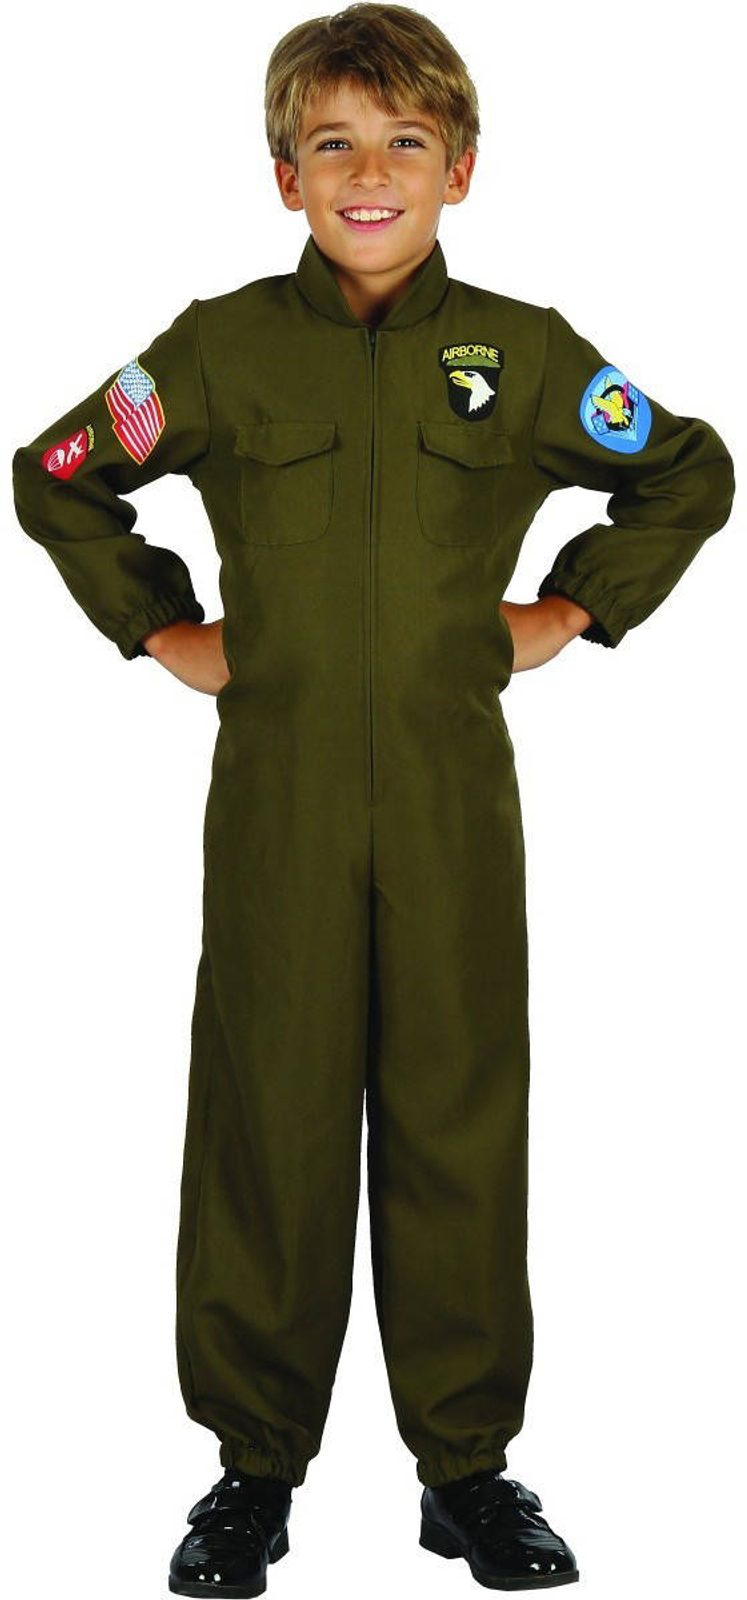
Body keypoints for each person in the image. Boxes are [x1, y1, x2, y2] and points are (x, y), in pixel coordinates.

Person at [11, 4, 735, 1595]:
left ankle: (466, 1469)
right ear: (285, 175)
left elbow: (689, 470)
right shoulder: (218, 348)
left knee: (457, 1115)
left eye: (406, 142)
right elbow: (57, 473)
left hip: (450, 805)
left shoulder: (522, 353)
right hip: (275, 805)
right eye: (332, 142)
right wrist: (158, 624)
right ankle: (251, 1469)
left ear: (460, 169)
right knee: (267, 1112)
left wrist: (575, 608)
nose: (369, 172)